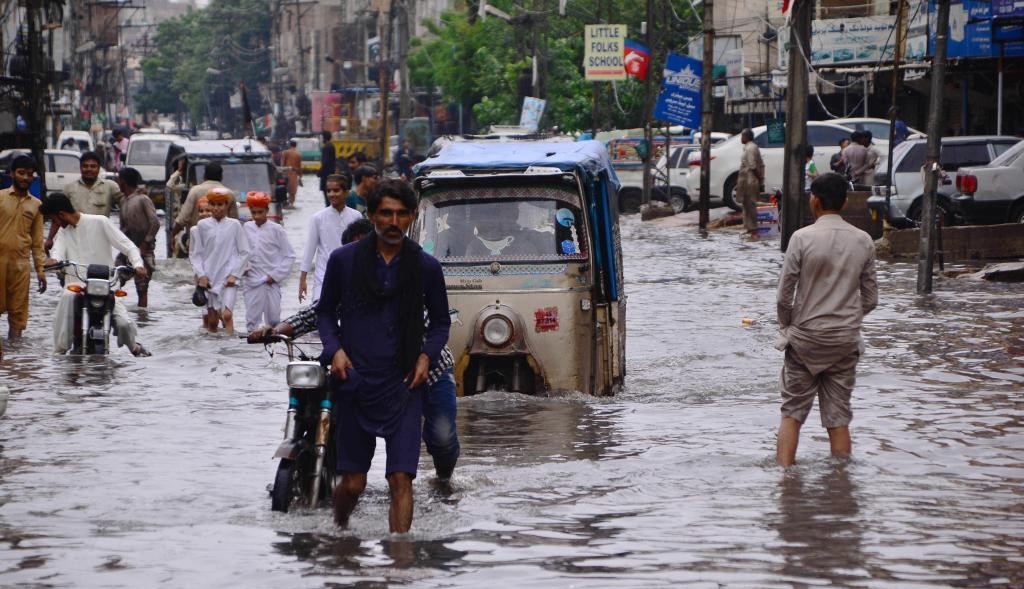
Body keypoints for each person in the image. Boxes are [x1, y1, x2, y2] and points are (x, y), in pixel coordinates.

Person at [249, 217, 461, 486]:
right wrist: (277, 329)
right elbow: (317, 312)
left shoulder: (408, 279)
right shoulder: (349, 281)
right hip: (374, 372)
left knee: (441, 438)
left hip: (428, 371)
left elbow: (434, 325)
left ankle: (444, 481)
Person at [317, 179, 451, 533]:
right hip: (355, 381)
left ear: (412, 217)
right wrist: (336, 351)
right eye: (386, 213)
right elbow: (326, 313)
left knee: (400, 480)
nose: (394, 222)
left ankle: (400, 562)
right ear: (372, 215)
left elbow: (440, 324)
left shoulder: (426, 267)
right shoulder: (343, 261)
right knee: (353, 483)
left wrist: (426, 358)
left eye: (401, 214)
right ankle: (340, 535)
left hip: (404, 383)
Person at [775, 173, 877, 467]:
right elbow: (870, 299)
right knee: (838, 417)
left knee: (792, 414)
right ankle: (841, 484)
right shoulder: (864, 240)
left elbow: (784, 296)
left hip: (805, 338)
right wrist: (847, 318)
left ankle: (785, 482)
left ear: (814, 201)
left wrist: (788, 326)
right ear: (845, 202)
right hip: (845, 340)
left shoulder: (801, 238)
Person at [41, 193, 151, 357]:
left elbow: (129, 246)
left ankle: (133, 346)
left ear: (61, 215)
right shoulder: (63, 233)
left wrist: (138, 265)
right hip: (76, 286)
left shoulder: (100, 222)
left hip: (107, 285)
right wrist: (51, 261)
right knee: (66, 298)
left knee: (123, 323)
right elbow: (57, 253)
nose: (54, 224)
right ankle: (59, 351)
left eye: (53, 219)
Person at [189, 187, 250, 334]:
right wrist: (201, 275)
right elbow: (195, 254)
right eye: (213, 204)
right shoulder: (201, 226)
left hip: (229, 277)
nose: (217, 208)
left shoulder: (234, 225)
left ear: (227, 205)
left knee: (227, 315)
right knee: (212, 321)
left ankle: (230, 348)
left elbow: (245, 252)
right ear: (209, 205)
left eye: (220, 204)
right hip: (209, 278)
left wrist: (234, 274)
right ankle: (212, 353)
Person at [0, 155, 47, 340]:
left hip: (20, 267)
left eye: (29, 174)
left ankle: (16, 361)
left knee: (18, 316)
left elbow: (37, 242)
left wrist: (40, 270)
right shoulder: (1, 198)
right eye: (21, 173)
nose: (25, 178)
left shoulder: (36, 205)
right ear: (12, 174)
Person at [298, 174, 362, 303]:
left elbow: (361, 248)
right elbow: (310, 250)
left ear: (346, 192)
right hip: (323, 276)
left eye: (336, 190)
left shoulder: (356, 216)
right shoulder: (318, 218)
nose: (332, 194)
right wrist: (302, 280)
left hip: (349, 275)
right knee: (321, 312)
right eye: (328, 191)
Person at [242, 192, 295, 332]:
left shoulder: (277, 230)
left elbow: (289, 256)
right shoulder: (246, 228)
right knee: (252, 322)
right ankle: (253, 352)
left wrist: (275, 275)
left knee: (274, 321)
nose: (257, 216)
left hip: (272, 281)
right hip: (251, 281)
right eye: (254, 212)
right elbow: (240, 253)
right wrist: (243, 267)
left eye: (260, 212)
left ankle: (273, 352)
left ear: (267, 210)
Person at [114, 167, 160, 308]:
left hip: (144, 250)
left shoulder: (143, 199)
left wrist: (145, 244)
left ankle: (142, 316)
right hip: (127, 250)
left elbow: (155, 222)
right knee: (114, 280)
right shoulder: (123, 201)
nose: (117, 183)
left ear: (123, 182)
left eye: (119, 180)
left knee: (142, 287)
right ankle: (115, 309)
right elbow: (123, 227)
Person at [172, 162, 239, 250]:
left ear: (204, 176)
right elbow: (235, 223)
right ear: (221, 177)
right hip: (221, 246)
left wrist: (172, 236)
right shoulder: (229, 194)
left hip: (197, 244)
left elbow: (182, 219)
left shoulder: (195, 191)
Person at [737, 128, 764, 238]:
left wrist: (759, 178)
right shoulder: (748, 148)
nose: (741, 138)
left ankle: (754, 230)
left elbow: (753, 166)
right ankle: (749, 228)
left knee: (750, 205)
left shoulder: (751, 148)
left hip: (750, 180)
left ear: (746, 137)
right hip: (745, 180)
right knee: (746, 205)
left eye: (742, 136)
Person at [319, 131, 338, 207]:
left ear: (324, 138)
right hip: (331, 174)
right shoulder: (332, 146)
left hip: (326, 175)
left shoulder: (326, 147)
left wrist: (320, 172)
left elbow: (325, 162)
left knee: (327, 196)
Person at [282, 140, 302, 207]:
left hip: (287, 172)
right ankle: (292, 204)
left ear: (290, 145)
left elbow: (283, 164)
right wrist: (300, 176)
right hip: (295, 174)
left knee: (285, 190)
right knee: (293, 192)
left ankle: (287, 204)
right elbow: (299, 167)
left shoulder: (285, 152)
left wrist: (282, 173)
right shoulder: (298, 154)